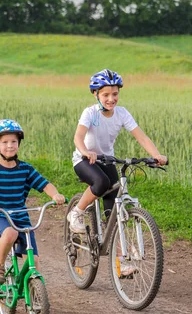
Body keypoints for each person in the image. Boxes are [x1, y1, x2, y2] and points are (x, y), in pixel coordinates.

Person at [67, 69, 168, 234]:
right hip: (84, 160)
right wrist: (85, 151)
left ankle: (118, 250)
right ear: (95, 94)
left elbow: (141, 137)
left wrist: (156, 155)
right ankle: (76, 212)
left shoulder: (122, 113)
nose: (111, 99)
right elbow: (78, 136)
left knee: (113, 206)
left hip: (107, 160)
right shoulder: (90, 113)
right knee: (101, 182)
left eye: (115, 94)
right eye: (105, 95)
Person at [0, 119, 65, 284]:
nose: (10, 145)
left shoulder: (26, 169)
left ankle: (33, 293)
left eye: (14, 141)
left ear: (19, 144)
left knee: (34, 261)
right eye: (5, 142)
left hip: (21, 216)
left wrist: (55, 195)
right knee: (10, 233)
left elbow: (45, 184)